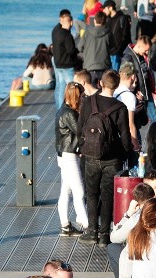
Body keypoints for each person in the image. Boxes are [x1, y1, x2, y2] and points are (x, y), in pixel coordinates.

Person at [77, 70, 133, 245]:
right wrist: (127, 154)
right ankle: (104, 234)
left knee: (92, 194)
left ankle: (91, 232)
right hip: (113, 157)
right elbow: (125, 135)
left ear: (100, 83)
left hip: (91, 156)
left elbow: (80, 128)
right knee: (108, 195)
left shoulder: (88, 102)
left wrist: (83, 146)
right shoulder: (120, 107)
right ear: (116, 86)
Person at [55, 82, 89, 236]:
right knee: (79, 190)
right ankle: (85, 222)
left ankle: (65, 224)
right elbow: (81, 131)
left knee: (66, 191)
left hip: (65, 153)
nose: (83, 98)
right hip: (69, 155)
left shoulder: (63, 110)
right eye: (81, 96)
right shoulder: (69, 113)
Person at [121, 35, 156, 125]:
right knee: (148, 119)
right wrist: (133, 91)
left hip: (146, 91)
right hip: (139, 93)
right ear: (139, 46)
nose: (146, 52)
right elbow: (124, 77)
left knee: (154, 117)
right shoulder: (128, 58)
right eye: (145, 50)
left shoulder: (141, 56)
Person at [53, 10, 79, 109]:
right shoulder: (67, 35)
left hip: (58, 64)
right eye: (70, 21)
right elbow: (71, 50)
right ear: (70, 22)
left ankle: (59, 110)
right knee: (73, 87)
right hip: (67, 65)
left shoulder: (56, 33)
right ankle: (74, 107)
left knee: (61, 88)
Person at [81, 11, 115, 84]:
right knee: (104, 90)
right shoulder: (108, 33)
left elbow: (80, 47)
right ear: (105, 21)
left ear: (94, 20)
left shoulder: (87, 32)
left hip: (89, 66)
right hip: (104, 66)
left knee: (90, 91)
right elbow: (113, 47)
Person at [116, 63, 143, 152]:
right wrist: (135, 144)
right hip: (125, 136)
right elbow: (130, 123)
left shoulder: (114, 91)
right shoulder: (129, 96)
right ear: (132, 77)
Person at [103, 0, 131, 70]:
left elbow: (126, 36)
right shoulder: (107, 19)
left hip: (117, 53)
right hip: (108, 53)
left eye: (105, 8)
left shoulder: (122, 18)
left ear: (110, 8)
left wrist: (118, 50)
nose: (103, 10)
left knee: (115, 75)